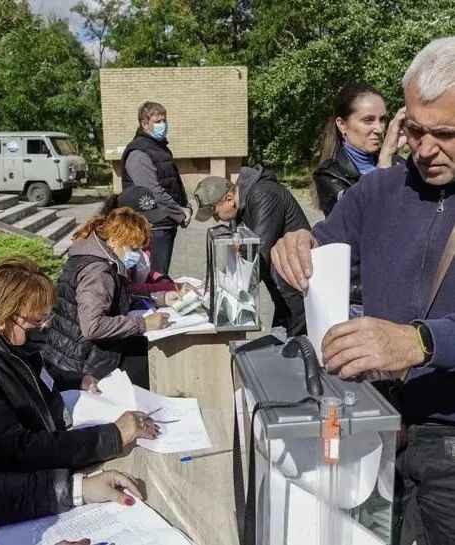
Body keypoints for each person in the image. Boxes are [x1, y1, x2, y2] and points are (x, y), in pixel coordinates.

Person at [271, 37, 455, 545]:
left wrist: (421, 342)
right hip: (373, 426)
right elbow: (320, 249)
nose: (423, 148)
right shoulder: (376, 190)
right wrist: (294, 244)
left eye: (444, 133)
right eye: (415, 129)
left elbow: (420, 339)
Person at [0, 258, 155, 528]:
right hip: (15, 494)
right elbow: (15, 450)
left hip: (49, 457)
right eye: (36, 321)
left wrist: (74, 378)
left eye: (46, 317)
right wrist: (112, 436)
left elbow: (37, 374)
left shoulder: (8, 340)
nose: (44, 326)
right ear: (7, 315)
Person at [43, 207, 169, 391]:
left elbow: (118, 297)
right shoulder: (97, 271)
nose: (137, 255)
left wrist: (160, 298)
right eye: (134, 248)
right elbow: (93, 326)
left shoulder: (101, 257)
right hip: (81, 362)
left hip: (74, 352)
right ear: (116, 240)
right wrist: (143, 324)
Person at [193, 165, 310, 336]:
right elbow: (238, 252)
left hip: (298, 288)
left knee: (296, 349)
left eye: (215, 213)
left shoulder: (264, 195)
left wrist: (226, 290)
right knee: (280, 343)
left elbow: (258, 255)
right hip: (282, 287)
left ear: (229, 198)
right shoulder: (240, 207)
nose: (216, 219)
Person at [313, 84, 407, 218]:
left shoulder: (398, 164)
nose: (379, 129)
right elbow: (360, 218)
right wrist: (385, 157)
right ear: (342, 125)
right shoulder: (330, 175)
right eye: (368, 120)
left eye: (382, 120)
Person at [121, 101, 192, 275]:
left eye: (164, 120)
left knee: (161, 274)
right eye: (158, 121)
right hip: (153, 226)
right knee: (154, 278)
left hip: (165, 223)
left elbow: (173, 182)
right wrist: (180, 212)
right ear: (144, 124)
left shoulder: (159, 149)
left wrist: (186, 205)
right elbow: (153, 193)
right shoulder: (139, 153)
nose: (163, 125)